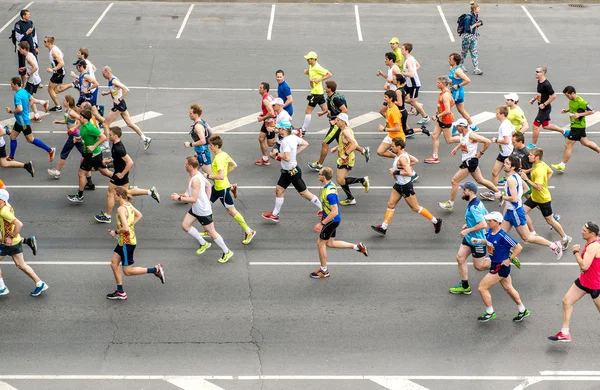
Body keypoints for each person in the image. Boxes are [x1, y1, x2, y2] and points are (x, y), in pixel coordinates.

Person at [371, 137, 442, 236]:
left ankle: (435, 221)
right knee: (391, 204)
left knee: (415, 208)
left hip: (405, 186)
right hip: (398, 185)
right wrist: (404, 166)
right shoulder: (402, 154)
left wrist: (395, 171)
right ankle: (384, 227)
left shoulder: (403, 158)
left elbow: (410, 173)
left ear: (399, 147)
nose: (390, 148)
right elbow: (415, 161)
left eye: (392, 146)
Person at [171, 156, 234, 263]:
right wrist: (207, 201)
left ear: (190, 166)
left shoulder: (196, 180)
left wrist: (179, 198)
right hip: (198, 208)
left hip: (202, 211)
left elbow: (194, 199)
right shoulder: (195, 174)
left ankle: (227, 251)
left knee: (211, 233)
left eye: (186, 164)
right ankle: (203, 243)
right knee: (185, 226)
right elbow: (209, 185)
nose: (184, 165)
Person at [106, 187, 165, 300]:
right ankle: (120, 292)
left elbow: (125, 228)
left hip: (126, 243)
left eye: (114, 195)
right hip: (124, 241)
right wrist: (130, 225)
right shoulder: (128, 205)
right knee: (114, 264)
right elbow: (139, 215)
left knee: (128, 271)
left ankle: (155, 270)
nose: (113, 197)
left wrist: (115, 232)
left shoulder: (121, 209)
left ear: (120, 196)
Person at [499, 156, 563, 259]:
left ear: (512, 167)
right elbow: (526, 188)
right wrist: (516, 197)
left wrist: (502, 196)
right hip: (511, 211)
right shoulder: (516, 176)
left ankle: (554, 245)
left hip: (515, 212)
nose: (504, 164)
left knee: (527, 238)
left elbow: (514, 199)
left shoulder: (511, 179)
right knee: (499, 233)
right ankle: (505, 253)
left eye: (506, 163)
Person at [310, 167, 368, 279]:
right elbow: (332, 206)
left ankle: (324, 271)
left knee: (320, 243)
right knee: (330, 243)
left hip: (331, 221)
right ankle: (357, 247)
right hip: (333, 219)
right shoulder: (330, 185)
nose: (318, 175)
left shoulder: (329, 193)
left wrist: (322, 223)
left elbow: (335, 211)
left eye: (320, 173)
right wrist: (323, 210)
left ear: (324, 176)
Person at [94, 127, 160, 223]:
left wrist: (122, 174)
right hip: (121, 172)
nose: (109, 136)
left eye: (111, 134)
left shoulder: (119, 148)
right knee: (126, 193)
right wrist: (109, 161)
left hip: (120, 173)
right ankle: (150, 192)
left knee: (110, 193)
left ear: (116, 136)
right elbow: (118, 158)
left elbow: (130, 162)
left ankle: (107, 216)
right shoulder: (116, 145)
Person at [473, 211, 529, 323]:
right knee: (509, 288)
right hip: (495, 263)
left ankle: (490, 312)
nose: (488, 222)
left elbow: (518, 247)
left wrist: (510, 259)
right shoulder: (490, 232)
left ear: (498, 222)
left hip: (500, 266)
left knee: (482, 287)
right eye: (488, 220)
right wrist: (478, 241)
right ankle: (522, 310)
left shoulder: (503, 236)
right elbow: (488, 242)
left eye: (490, 220)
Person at [548, 222, 600, 342]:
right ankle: (565, 333)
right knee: (567, 301)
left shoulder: (593, 246)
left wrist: (576, 252)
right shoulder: (594, 242)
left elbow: (585, 266)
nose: (582, 231)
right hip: (584, 281)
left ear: (592, 233)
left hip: (595, 285)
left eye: (584, 231)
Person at [261, 126, 322, 222]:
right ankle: (275, 214)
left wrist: (276, 154)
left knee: (305, 194)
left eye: (279, 128)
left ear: (284, 130)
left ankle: (324, 209)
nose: (277, 130)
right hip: (286, 171)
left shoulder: (285, 141)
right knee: (279, 190)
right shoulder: (293, 137)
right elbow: (305, 143)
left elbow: (287, 158)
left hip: (292, 172)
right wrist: (295, 153)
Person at [438, 119, 500, 211]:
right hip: (468, 161)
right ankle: (499, 193)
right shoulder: (463, 134)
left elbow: (487, 141)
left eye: (457, 126)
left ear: (462, 127)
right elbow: (463, 141)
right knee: (480, 180)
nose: (456, 128)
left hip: (470, 162)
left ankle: (450, 203)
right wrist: (456, 148)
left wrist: (480, 153)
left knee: (454, 181)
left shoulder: (472, 135)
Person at [204, 135, 256, 245]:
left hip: (222, 189)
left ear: (217, 146)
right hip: (218, 187)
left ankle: (249, 231)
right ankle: (208, 230)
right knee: (206, 206)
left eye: (211, 145)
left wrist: (208, 176)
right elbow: (234, 165)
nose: (209, 147)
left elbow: (221, 176)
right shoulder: (224, 154)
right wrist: (224, 174)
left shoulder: (218, 158)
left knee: (232, 211)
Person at [308, 80, 369, 171]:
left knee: (325, 143)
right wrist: (324, 112)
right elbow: (333, 109)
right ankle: (364, 150)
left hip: (336, 125)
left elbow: (344, 110)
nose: (324, 88)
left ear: (330, 89)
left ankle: (319, 165)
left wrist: (335, 120)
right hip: (336, 123)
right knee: (344, 143)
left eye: (326, 87)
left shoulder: (335, 98)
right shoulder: (330, 97)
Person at [520, 148, 572, 250]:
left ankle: (565, 237)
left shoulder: (539, 170)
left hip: (543, 199)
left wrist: (526, 179)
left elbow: (538, 187)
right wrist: (528, 171)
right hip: (535, 198)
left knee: (550, 220)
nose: (528, 156)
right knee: (521, 211)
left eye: (531, 155)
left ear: (537, 157)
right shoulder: (540, 164)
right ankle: (532, 233)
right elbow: (550, 172)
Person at [0, 189, 48, 297]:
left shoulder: (3, 211)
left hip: (9, 243)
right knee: (21, 265)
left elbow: (19, 224)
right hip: (15, 241)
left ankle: (1, 287)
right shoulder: (7, 206)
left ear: (2, 200)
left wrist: (10, 237)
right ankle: (40, 283)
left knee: (21, 265)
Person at [449, 181, 489, 294]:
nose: (463, 191)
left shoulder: (474, 207)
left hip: (477, 240)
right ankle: (465, 286)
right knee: (460, 258)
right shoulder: (475, 203)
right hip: (469, 238)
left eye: (464, 190)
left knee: (479, 266)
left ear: (470, 192)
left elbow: (483, 224)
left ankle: (503, 261)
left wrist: (468, 230)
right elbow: (486, 215)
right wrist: (469, 224)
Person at [100, 67, 152, 150]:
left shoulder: (114, 80)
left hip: (119, 105)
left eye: (103, 74)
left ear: (107, 72)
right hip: (121, 105)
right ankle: (145, 139)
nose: (103, 76)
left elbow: (126, 90)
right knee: (129, 123)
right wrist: (107, 93)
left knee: (105, 124)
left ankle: (106, 145)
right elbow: (115, 89)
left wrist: (119, 99)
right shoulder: (112, 80)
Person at [551, 86, 600, 173]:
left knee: (568, 145)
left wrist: (579, 115)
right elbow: (574, 108)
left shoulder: (581, 101)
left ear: (573, 93)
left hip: (578, 127)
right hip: (575, 125)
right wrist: (567, 110)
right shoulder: (571, 100)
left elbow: (592, 111)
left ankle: (562, 165)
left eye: (567, 95)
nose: (567, 97)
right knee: (585, 142)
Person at [6, 77, 55, 162]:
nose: (11, 85)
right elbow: (33, 100)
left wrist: (11, 111)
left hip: (23, 122)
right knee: (12, 137)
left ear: (16, 85)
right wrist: (42, 102)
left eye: (12, 84)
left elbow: (20, 109)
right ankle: (11, 157)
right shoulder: (24, 91)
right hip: (20, 120)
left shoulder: (17, 95)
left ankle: (50, 150)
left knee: (30, 139)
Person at [67, 109, 109, 203]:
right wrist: (79, 139)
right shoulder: (83, 125)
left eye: (81, 117)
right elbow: (86, 136)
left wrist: (93, 146)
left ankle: (79, 196)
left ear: (85, 118)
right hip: (91, 153)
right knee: (103, 171)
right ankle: (121, 180)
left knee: (81, 173)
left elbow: (103, 137)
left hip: (92, 154)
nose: (79, 118)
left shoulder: (90, 127)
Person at [329, 113, 369, 205]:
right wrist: (337, 147)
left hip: (346, 159)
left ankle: (362, 180)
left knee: (340, 180)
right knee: (340, 180)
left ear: (343, 122)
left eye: (338, 120)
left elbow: (354, 144)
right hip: (343, 158)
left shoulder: (346, 131)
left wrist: (345, 154)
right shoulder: (343, 130)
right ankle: (350, 198)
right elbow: (346, 143)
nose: (336, 122)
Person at [528, 66, 568, 149]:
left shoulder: (547, 84)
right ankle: (564, 131)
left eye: (538, 71)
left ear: (543, 73)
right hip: (542, 107)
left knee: (535, 126)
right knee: (546, 126)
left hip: (545, 109)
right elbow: (540, 93)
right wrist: (534, 99)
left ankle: (533, 145)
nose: (536, 73)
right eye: (536, 71)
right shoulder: (539, 81)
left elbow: (553, 96)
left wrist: (544, 104)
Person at [480, 106, 514, 200]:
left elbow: (506, 140)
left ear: (502, 114)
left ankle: (514, 194)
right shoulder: (506, 123)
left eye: (497, 114)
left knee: (510, 176)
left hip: (508, 154)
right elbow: (514, 132)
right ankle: (493, 193)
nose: (496, 115)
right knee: (495, 172)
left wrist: (496, 140)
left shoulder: (505, 125)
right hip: (503, 153)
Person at [48, 95, 84, 179]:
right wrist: (59, 122)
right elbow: (67, 121)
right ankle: (95, 162)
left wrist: (74, 127)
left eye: (64, 100)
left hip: (74, 134)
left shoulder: (71, 112)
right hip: (73, 134)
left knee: (64, 153)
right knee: (84, 153)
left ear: (68, 102)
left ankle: (57, 172)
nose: (63, 101)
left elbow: (81, 120)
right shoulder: (66, 110)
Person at [425, 76, 458, 164]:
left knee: (449, 140)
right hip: (441, 119)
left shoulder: (445, 95)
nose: (437, 84)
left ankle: (467, 139)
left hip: (445, 120)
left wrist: (437, 115)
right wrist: (439, 112)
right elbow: (453, 102)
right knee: (435, 136)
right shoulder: (443, 93)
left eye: (438, 83)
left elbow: (447, 111)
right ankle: (435, 157)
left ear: (443, 84)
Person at [300, 51, 332, 135]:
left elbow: (329, 74)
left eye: (309, 59)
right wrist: (308, 72)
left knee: (308, 111)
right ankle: (334, 121)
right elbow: (313, 74)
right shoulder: (311, 66)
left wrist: (319, 79)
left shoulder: (318, 67)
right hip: (319, 92)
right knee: (325, 110)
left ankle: (303, 129)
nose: (307, 60)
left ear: (314, 59)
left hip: (316, 93)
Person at [392, 74, 430, 139]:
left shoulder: (398, 91)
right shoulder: (401, 89)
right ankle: (421, 129)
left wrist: (392, 101)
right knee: (402, 130)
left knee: (404, 132)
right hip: (401, 112)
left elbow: (400, 103)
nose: (392, 80)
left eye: (394, 79)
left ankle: (421, 129)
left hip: (401, 113)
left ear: (398, 81)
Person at [18, 42, 47, 122]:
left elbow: (35, 67)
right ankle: (37, 116)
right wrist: (25, 68)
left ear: (24, 49)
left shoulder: (27, 57)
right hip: (34, 80)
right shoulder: (30, 54)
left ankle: (43, 102)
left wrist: (28, 74)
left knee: (26, 97)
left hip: (32, 80)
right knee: (29, 97)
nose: (19, 50)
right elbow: (32, 65)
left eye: (20, 49)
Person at [400, 43, 429, 124]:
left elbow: (411, 74)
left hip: (414, 84)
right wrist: (412, 70)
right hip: (409, 84)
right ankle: (418, 105)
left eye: (402, 49)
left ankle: (425, 117)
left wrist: (402, 73)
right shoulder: (411, 58)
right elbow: (418, 65)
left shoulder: (409, 61)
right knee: (402, 97)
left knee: (412, 101)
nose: (401, 50)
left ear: (407, 51)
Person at [448, 53, 478, 131]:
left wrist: (458, 85)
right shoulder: (452, 68)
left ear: (455, 61)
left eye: (450, 59)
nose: (449, 60)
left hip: (457, 93)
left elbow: (468, 80)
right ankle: (472, 126)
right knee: (461, 110)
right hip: (454, 92)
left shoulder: (458, 70)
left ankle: (454, 126)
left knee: (447, 109)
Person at [377, 90, 404, 159]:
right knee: (380, 151)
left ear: (391, 98)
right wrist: (386, 125)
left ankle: (408, 161)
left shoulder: (394, 111)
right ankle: (396, 157)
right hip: (391, 135)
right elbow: (389, 119)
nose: (384, 98)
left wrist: (384, 129)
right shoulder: (390, 107)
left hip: (398, 138)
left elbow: (397, 128)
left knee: (402, 157)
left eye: (386, 97)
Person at [185, 104, 212, 174]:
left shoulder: (197, 126)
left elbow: (203, 141)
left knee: (212, 176)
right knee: (192, 173)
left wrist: (190, 144)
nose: (189, 114)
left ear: (196, 114)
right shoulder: (203, 121)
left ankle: (230, 185)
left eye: (191, 113)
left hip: (203, 154)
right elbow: (211, 132)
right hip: (199, 152)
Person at [14, 9, 38, 84]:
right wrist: (26, 33)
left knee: (34, 63)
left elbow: (34, 35)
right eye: (28, 14)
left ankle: (35, 80)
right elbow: (18, 37)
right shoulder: (18, 25)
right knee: (22, 64)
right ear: (23, 16)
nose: (29, 15)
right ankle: (24, 82)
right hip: (22, 48)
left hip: (31, 47)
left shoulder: (30, 23)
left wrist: (36, 46)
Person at [255, 82, 276, 166]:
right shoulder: (269, 96)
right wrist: (263, 114)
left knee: (270, 143)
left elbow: (271, 113)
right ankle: (265, 159)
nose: (259, 89)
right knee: (261, 138)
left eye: (260, 88)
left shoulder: (265, 100)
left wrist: (262, 118)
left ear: (265, 90)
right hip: (267, 121)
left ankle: (286, 137)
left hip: (270, 122)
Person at [43, 36, 65, 112]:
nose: (44, 42)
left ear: (49, 43)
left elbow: (62, 63)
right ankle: (72, 85)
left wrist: (53, 69)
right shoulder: (54, 48)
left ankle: (58, 106)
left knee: (50, 89)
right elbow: (62, 55)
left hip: (58, 72)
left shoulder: (53, 51)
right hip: (59, 72)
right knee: (56, 90)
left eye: (45, 41)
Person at [461, 2, 483, 75]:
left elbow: (474, 26)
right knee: (464, 52)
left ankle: (476, 69)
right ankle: (459, 65)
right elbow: (467, 29)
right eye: (478, 8)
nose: (479, 9)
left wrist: (478, 24)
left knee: (474, 52)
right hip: (467, 38)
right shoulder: (468, 17)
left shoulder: (475, 16)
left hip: (473, 37)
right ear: (474, 9)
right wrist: (476, 24)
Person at [377, 52, 401, 116]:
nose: (385, 60)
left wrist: (391, 82)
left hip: (394, 95)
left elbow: (400, 81)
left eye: (386, 59)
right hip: (390, 93)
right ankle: (391, 123)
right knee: (382, 111)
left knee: (395, 114)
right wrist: (382, 74)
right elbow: (389, 78)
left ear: (391, 60)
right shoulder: (390, 68)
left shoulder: (395, 69)